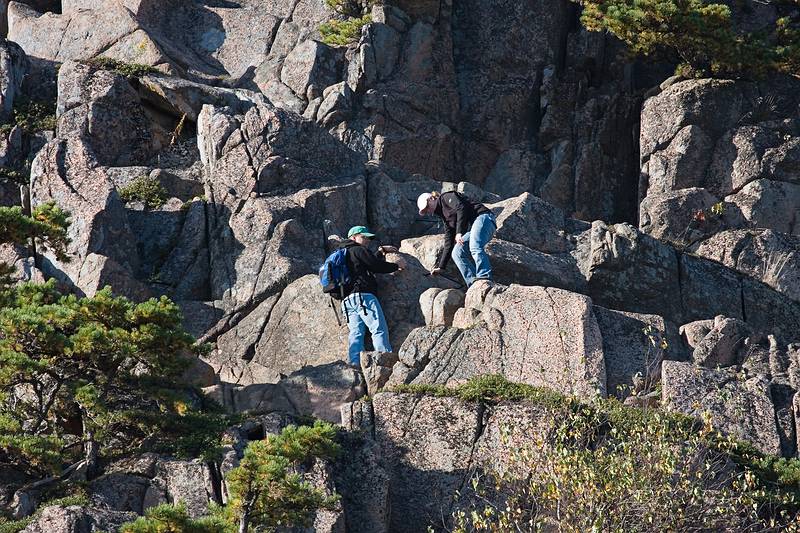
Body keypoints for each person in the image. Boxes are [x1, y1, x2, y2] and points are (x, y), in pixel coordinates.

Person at [337, 225, 404, 367]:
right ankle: (384, 361)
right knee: (378, 328)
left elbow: (366, 264)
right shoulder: (358, 249)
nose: (367, 240)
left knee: (356, 333)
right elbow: (376, 266)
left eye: (368, 238)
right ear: (353, 238)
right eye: (364, 237)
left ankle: (355, 366)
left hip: (347, 300)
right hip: (364, 296)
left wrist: (380, 251)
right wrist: (396, 265)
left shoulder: (342, 253)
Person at [417, 190, 496, 287]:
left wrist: (459, 232)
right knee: (457, 253)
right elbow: (449, 241)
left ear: (431, 198)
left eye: (427, 207)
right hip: (475, 226)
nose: (428, 211)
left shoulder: (446, 197)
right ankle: (473, 283)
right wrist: (441, 267)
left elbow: (461, 207)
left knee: (475, 246)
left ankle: (484, 276)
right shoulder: (444, 217)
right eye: (425, 211)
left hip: (484, 218)